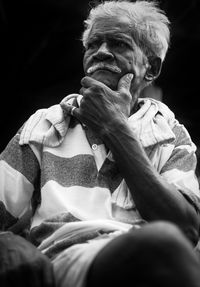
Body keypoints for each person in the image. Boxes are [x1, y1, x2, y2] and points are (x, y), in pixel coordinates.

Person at [1, 1, 200, 287]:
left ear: (151, 68)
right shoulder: (46, 124)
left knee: (165, 247)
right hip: (62, 261)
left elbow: (185, 228)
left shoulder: (170, 134)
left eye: (118, 44)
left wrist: (115, 129)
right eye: (94, 44)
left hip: (150, 263)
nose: (101, 52)